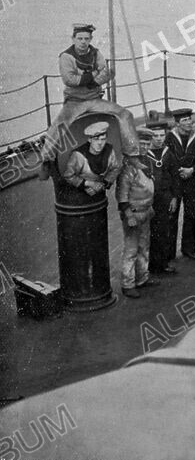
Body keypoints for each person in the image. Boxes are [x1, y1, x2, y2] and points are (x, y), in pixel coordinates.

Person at [42, 24, 139, 169]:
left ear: (91, 39)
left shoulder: (96, 53)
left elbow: (107, 73)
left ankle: (132, 155)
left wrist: (89, 80)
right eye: (79, 38)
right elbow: (69, 80)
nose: (83, 42)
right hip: (75, 102)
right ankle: (46, 161)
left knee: (125, 114)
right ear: (73, 39)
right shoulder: (66, 57)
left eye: (86, 38)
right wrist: (93, 75)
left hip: (95, 99)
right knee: (58, 127)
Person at [61, 121, 121, 291]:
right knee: (83, 244)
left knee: (98, 242)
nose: (101, 142)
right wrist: (86, 183)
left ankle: (98, 281)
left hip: (99, 200)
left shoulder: (109, 151)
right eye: (97, 139)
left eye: (103, 138)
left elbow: (115, 168)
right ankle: (83, 282)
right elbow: (68, 175)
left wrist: (105, 183)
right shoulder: (78, 156)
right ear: (89, 140)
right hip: (82, 202)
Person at [144, 122, 180, 276]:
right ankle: (148, 267)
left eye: (161, 135)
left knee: (163, 231)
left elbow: (175, 177)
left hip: (165, 198)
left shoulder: (168, 153)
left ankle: (162, 264)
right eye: (155, 136)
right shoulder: (144, 154)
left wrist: (174, 197)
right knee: (148, 234)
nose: (158, 139)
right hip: (148, 199)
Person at [167, 108, 195, 260]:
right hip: (174, 181)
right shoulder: (169, 137)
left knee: (191, 215)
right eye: (185, 120)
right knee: (171, 215)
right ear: (177, 123)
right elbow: (167, 158)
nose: (189, 123)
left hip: (192, 180)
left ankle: (188, 249)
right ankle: (168, 252)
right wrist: (178, 171)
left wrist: (192, 170)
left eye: (189, 119)